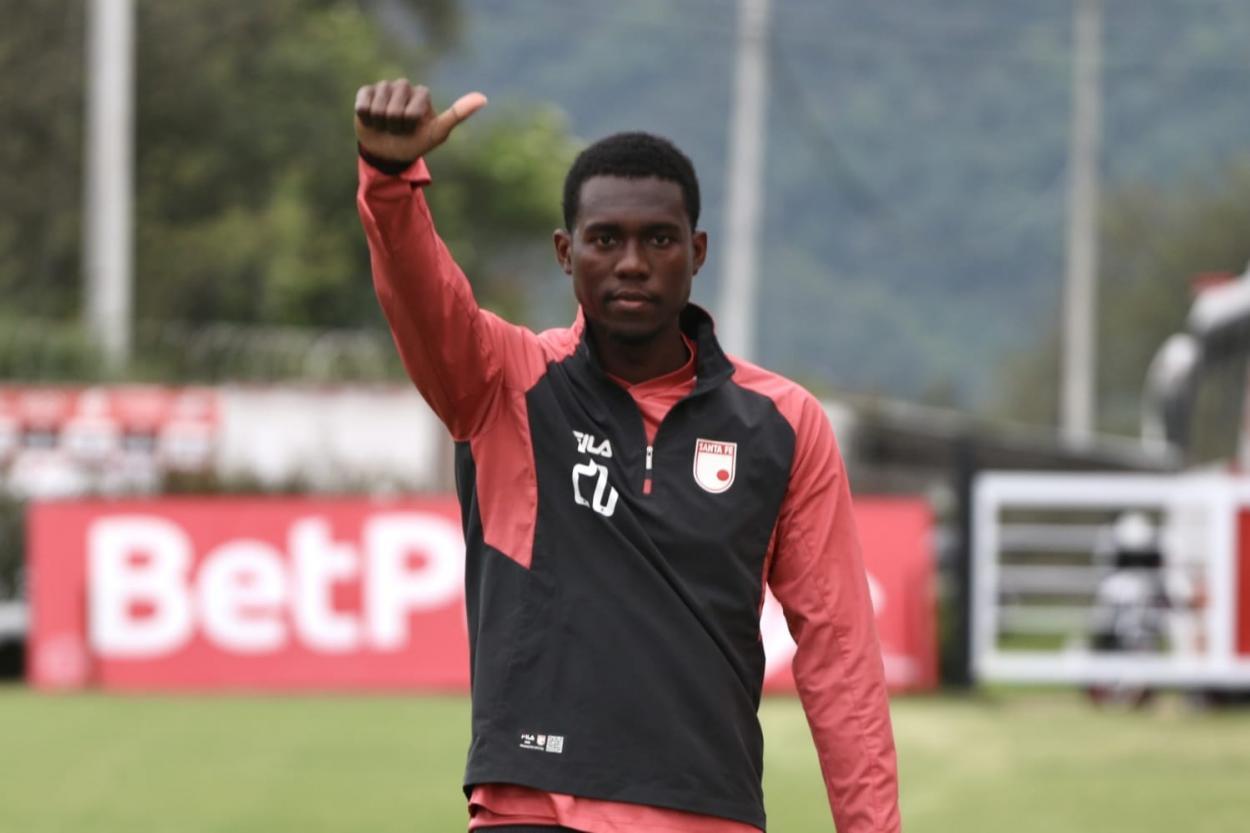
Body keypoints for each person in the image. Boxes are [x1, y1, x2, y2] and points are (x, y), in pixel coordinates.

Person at [353, 79, 901, 833]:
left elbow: (841, 653)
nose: (633, 262)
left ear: (697, 251)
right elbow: (423, 299)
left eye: (659, 239)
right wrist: (388, 184)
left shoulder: (783, 422)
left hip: (708, 809)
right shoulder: (504, 384)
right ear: (565, 253)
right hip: (529, 805)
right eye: (606, 239)